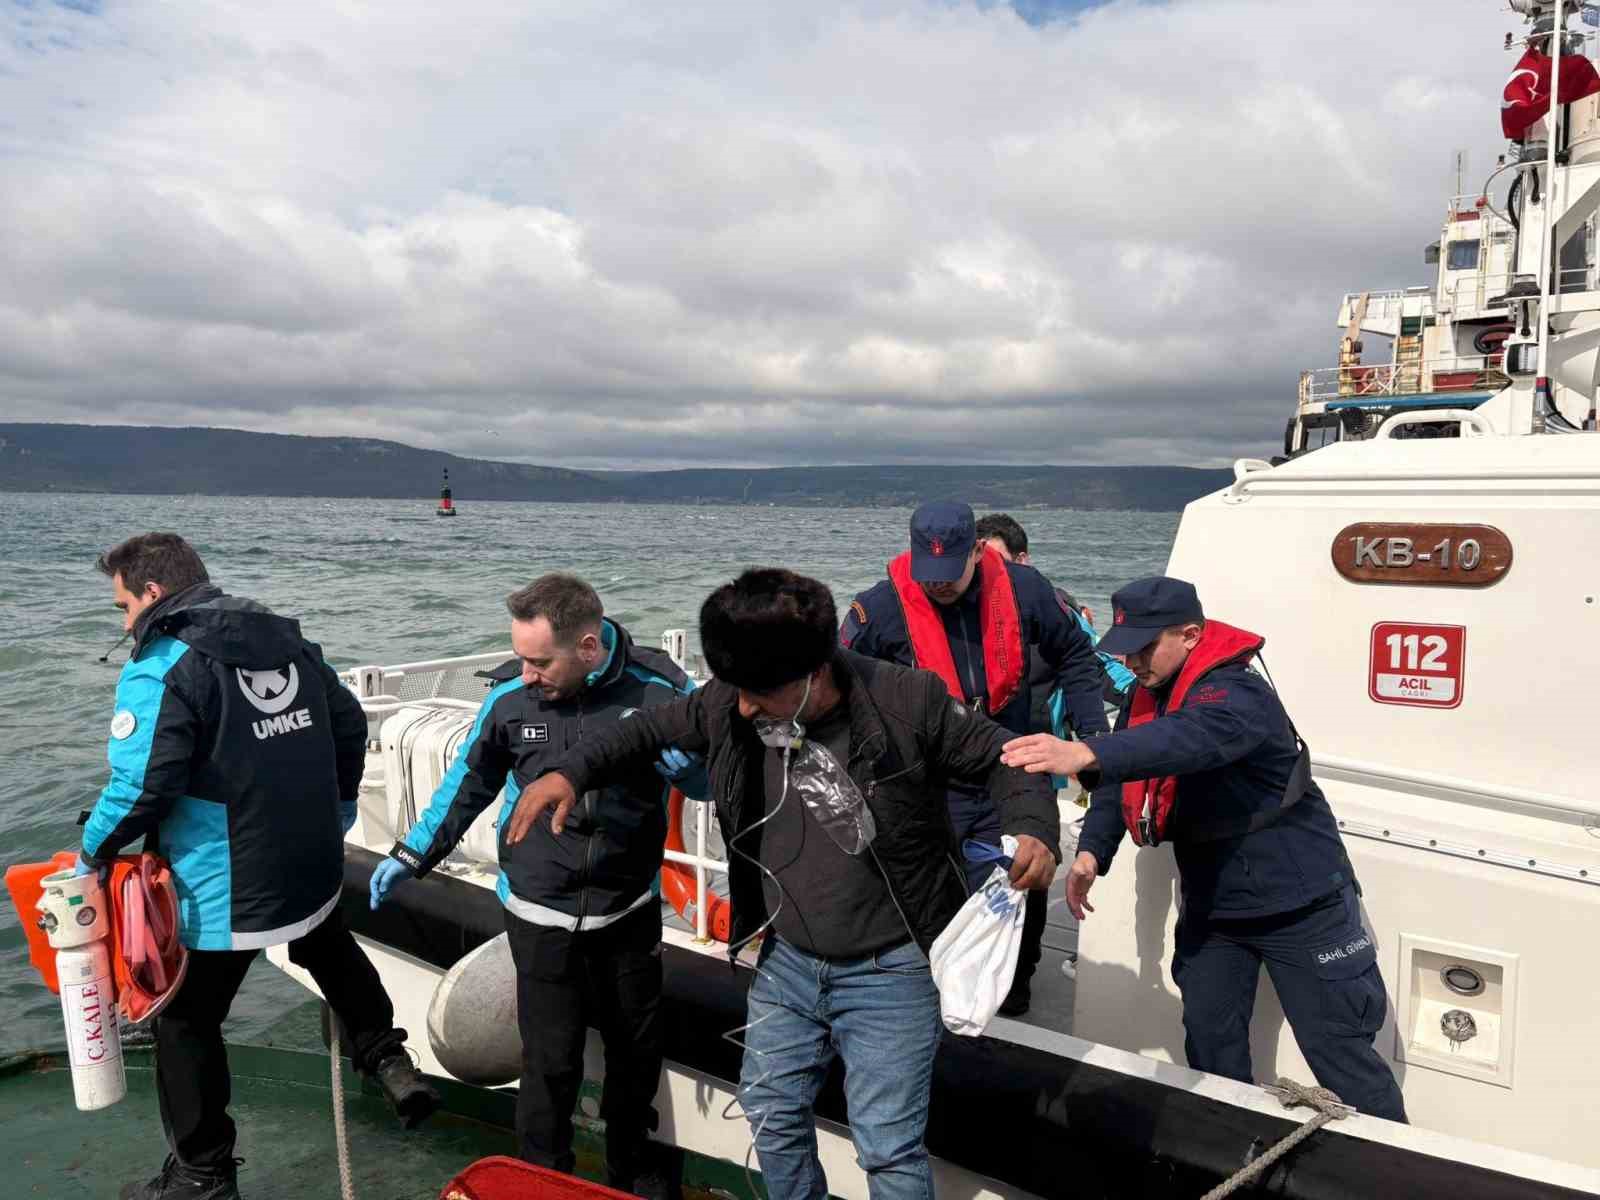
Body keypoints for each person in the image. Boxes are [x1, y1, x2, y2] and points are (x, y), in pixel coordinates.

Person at [502, 568, 1061, 1200]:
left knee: (886, 1143)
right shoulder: (729, 700)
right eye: (734, 688)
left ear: (816, 671)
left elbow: (1008, 759)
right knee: (769, 1111)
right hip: (789, 960)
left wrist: (1034, 825)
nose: (741, 706)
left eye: (759, 692)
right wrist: (570, 773)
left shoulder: (910, 700)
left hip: (892, 966)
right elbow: (644, 730)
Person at [80, 533, 436, 1200]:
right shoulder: (288, 641)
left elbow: (143, 786)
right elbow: (350, 725)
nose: (125, 622)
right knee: (322, 937)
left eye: (124, 605)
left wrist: (92, 854)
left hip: (227, 884)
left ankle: (201, 1173)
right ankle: (386, 1055)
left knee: (185, 1020)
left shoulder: (162, 666)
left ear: (153, 594)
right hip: (308, 862)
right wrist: (337, 807)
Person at [1001, 576, 1408, 1122]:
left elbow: (1186, 741)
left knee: (1341, 1053)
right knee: (1210, 1046)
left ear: (1191, 635)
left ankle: (1392, 1163)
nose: (1135, 661)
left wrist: (1082, 750)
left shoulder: (1236, 694)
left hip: (1302, 906)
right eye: (1127, 649)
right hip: (1216, 910)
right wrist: (1092, 853)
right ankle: (1233, 1152)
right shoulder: (1148, 696)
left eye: (1146, 647)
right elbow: (1125, 777)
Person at [367, 573, 702, 1199]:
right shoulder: (510, 701)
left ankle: (633, 1170)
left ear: (588, 646)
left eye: (539, 660)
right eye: (520, 656)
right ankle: (542, 1177)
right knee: (550, 1062)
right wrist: (410, 853)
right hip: (538, 912)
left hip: (627, 910)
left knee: (636, 1053)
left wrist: (699, 772)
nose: (525, 673)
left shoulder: (661, 691)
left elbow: (716, 783)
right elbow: (466, 788)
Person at [842, 501, 1109, 1016]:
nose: (938, 585)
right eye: (929, 575)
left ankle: (1014, 991)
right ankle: (930, 988)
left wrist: (1093, 736)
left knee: (1023, 874)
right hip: (929, 774)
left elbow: (1076, 655)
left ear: (978, 552)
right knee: (929, 885)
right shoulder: (878, 609)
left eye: (950, 574)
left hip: (1008, 762)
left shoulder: (1027, 591)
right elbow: (843, 684)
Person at [974, 512, 1133, 707]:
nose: (988, 570)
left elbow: (1098, 665)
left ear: (1022, 560)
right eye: (981, 563)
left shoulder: (1054, 609)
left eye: (998, 561)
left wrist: (1143, 696)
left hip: (1042, 731)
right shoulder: (961, 612)